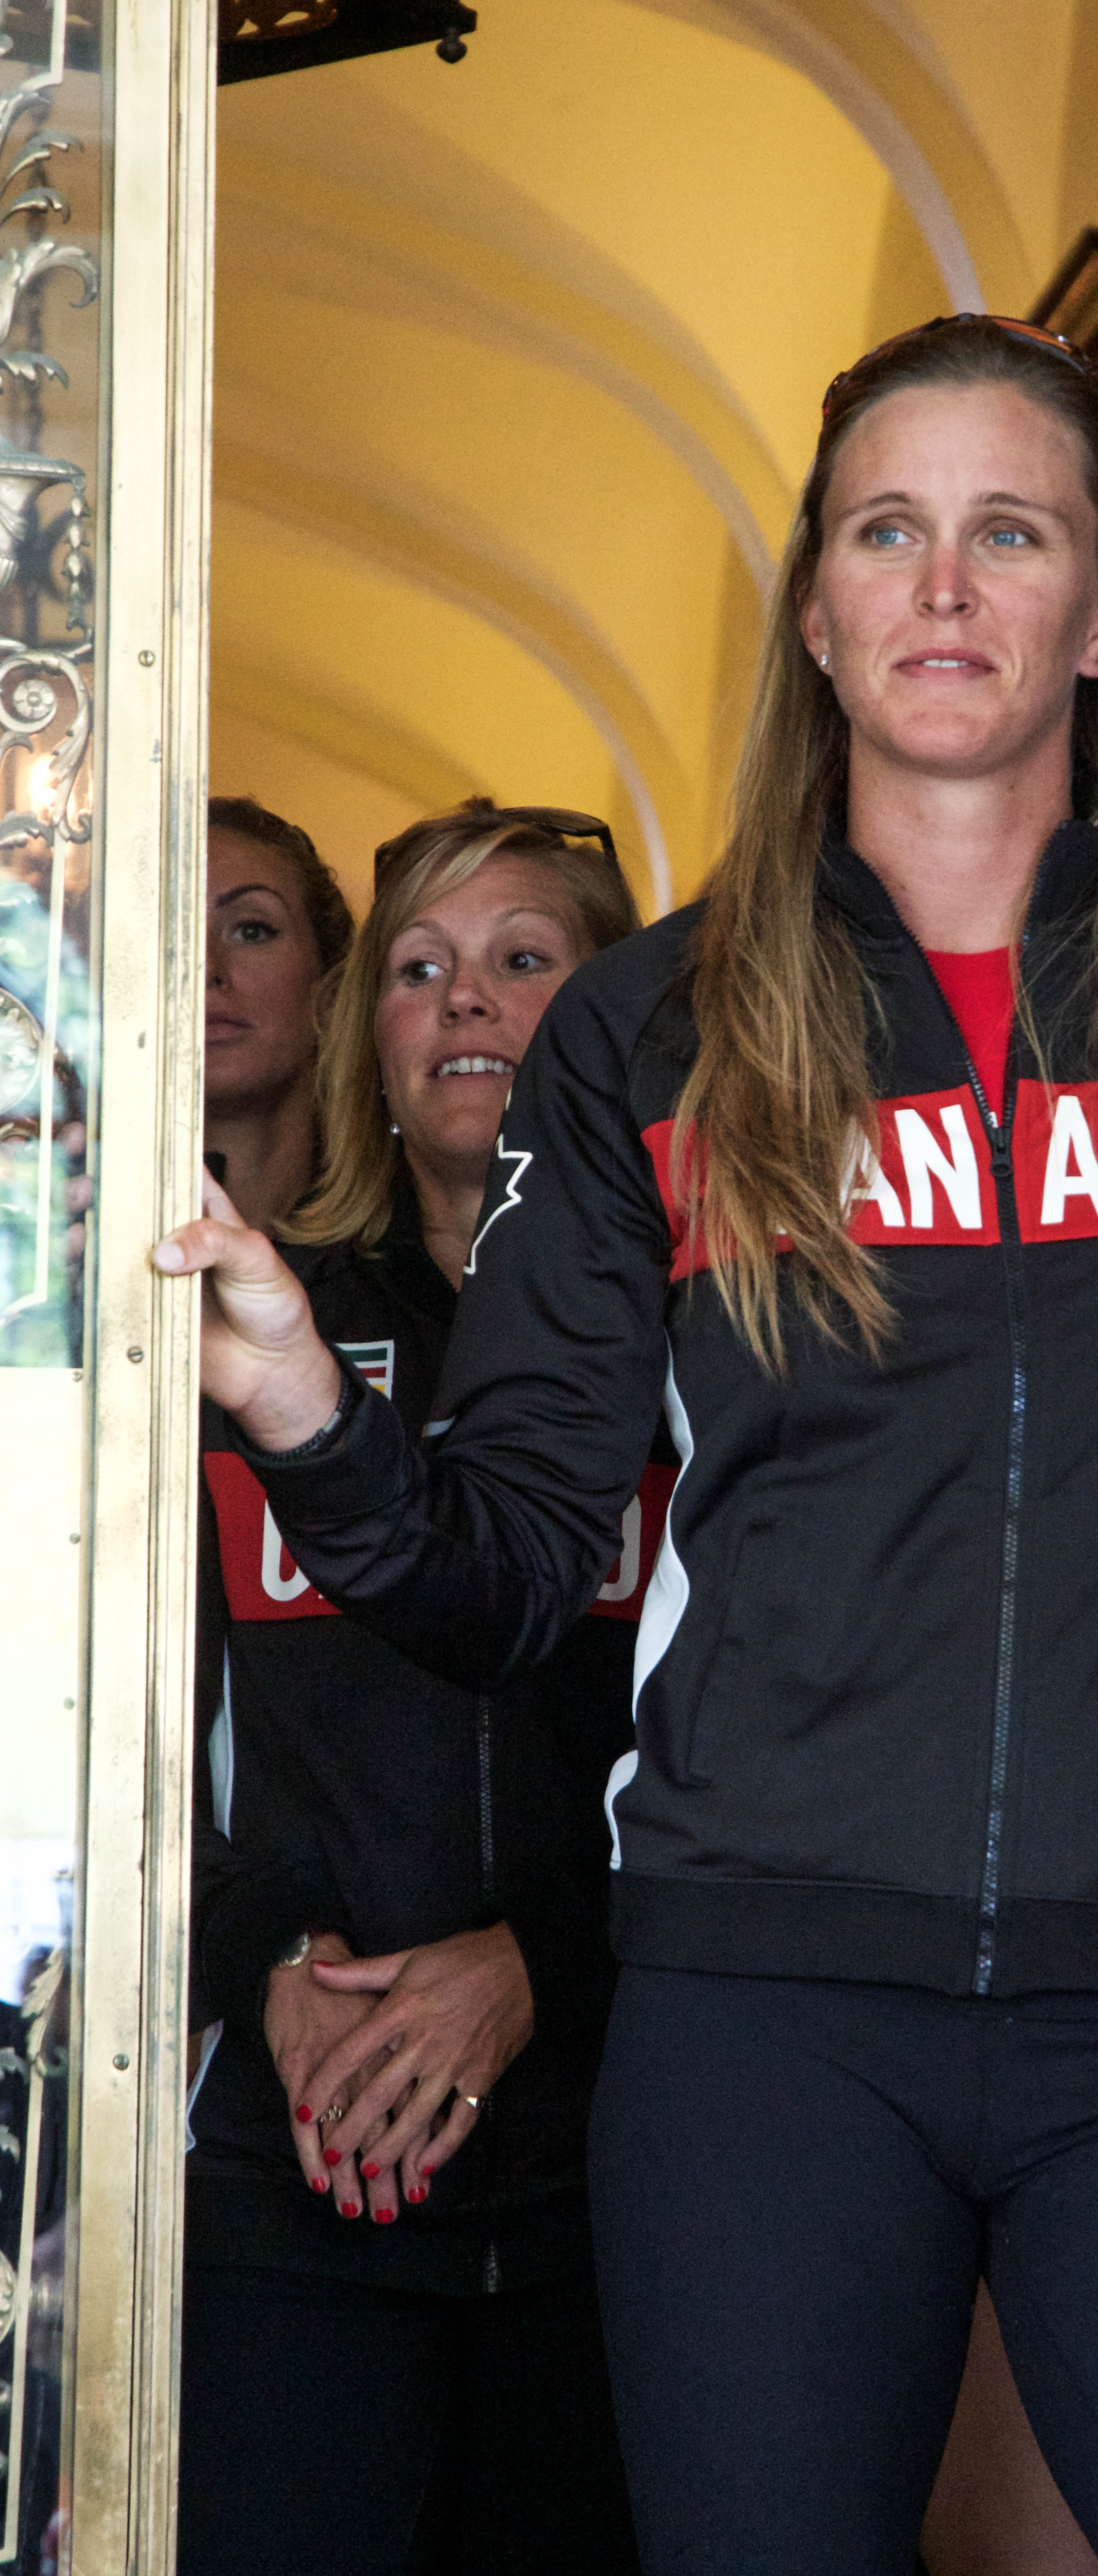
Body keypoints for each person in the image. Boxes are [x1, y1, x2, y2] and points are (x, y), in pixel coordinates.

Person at [158, 316, 1098, 2576]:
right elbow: (513, 1571)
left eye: (1007, 532)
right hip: (760, 2028)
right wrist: (299, 1410)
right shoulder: (645, 1026)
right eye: (886, 533)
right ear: (820, 616)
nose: (944, 588)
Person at [179, 800, 649, 2576]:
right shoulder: (243, 1325)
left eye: (528, 962)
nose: (467, 1001)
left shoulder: (720, 1346)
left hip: (630, 2176)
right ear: (370, 1029)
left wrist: (547, 1953)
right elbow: (96, 1730)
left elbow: (810, 1741)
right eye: (424, 969)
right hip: (288, 2172)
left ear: (620, 1023)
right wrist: (267, 1961)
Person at [204, 794, 355, 1228]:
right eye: (168, 932)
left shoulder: (402, 1270)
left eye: (252, 931)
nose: (206, 968)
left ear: (331, 988)